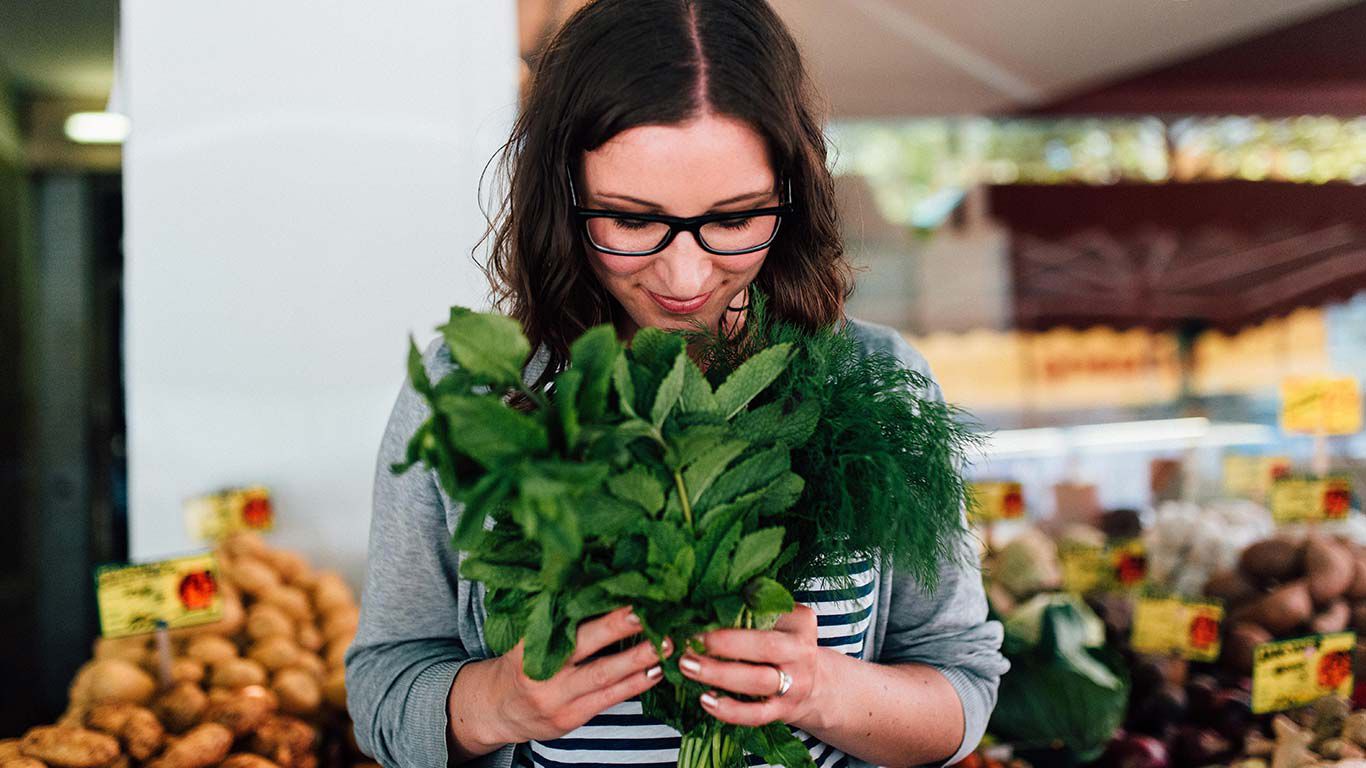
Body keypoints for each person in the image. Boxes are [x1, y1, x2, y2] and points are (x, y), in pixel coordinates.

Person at [345, 2, 1008, 767]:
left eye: (734, 219)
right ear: (561, 194)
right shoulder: (470, 390)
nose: (686, 277)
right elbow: (383, 694)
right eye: (632, 221)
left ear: (792, 193)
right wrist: (501, 701)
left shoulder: (876, 382)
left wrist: (818, 689)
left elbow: (961, 687)